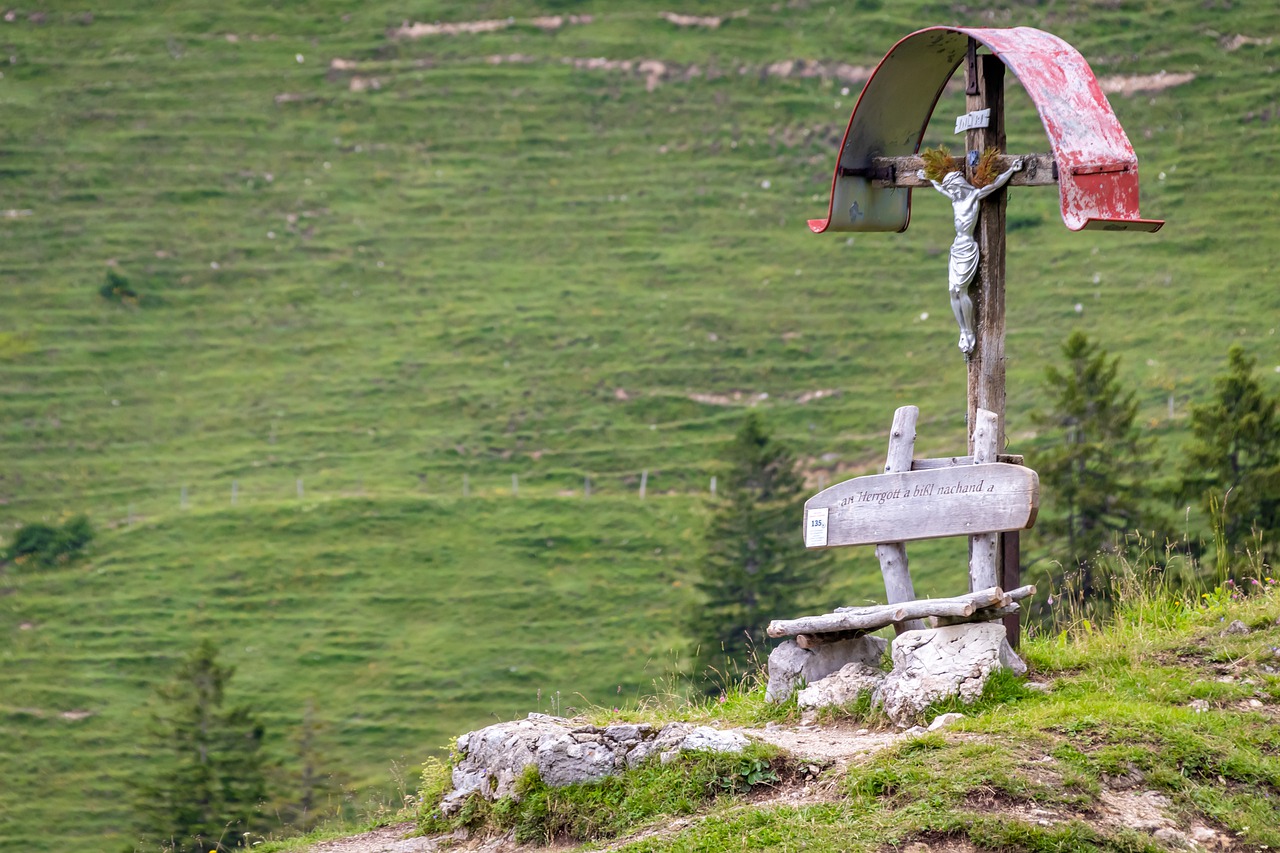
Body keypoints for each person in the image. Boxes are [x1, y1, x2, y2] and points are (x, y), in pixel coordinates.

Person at [918, 159, 1023, 354]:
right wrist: (930, 179)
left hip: (967, 246)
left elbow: (995, 184)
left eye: (955, 189)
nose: (954, 193)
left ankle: (969, 329)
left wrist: (1011, 170)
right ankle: (962, 330)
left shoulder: (973, 196)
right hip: (956, 246)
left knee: (961, 289)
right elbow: (942, 189)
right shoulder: (955, 198)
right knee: (952, 290)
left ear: (960, 185)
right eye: (952, 190)